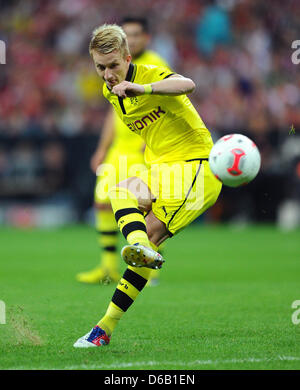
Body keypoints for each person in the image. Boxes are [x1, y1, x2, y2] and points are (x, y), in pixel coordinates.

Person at [74, 23, 222, 348]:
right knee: (120, 191)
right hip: (163, 167)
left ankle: (103, 329)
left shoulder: (150, 73)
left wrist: (145, 89)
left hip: (196, 168)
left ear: (127, 57)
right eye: (101, 67)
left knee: (151, 235)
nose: (109, 74)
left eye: (114, 65)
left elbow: (188, 84)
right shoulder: (108, 93)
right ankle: (138, 248)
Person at [76, 17, 170, 286]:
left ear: (145, 38)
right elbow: (113, 112)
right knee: (102, 202)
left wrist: (154, 140)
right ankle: (107, 267)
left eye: (136, 34)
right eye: (127, 34)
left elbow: (168, 101)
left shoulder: (154, 63)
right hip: (119, 148)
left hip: (143, 145)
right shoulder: (111, 69)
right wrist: (102, 148)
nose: (133, 39)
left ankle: (150, 266)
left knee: (145, 205)